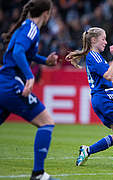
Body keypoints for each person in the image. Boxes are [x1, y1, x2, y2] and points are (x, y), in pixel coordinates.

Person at [66, 27, 113, 168]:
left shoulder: (96, 56)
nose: (105, 42)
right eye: (103, 39)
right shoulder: (93, 56)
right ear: (94, 40)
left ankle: (87, 150)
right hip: (106, 96)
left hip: (100, 98)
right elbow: (108, 75)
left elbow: (109, 78)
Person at [0, 0, 59, 180]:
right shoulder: (31, 28)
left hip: (4, 82)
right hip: (12, 84)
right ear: (46, 13)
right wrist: (30, 76)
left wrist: (45, 61)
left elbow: (28, 54)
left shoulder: (26, 26)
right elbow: (18, 53)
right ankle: (38, 174)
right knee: (46, 122)